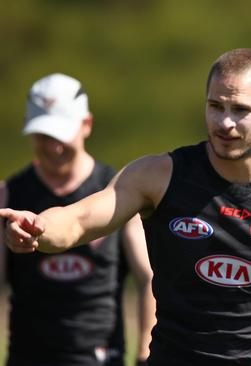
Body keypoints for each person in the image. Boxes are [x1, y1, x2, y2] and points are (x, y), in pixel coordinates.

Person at [0, 49, 251, 366]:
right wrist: (38, 229)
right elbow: (79, 220)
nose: (225, 123)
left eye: (240, 110)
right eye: (216, 106)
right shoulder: (158, 176)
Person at [0, 73, 155, 366]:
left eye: (61, 136)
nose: (53, 147)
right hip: (27, 357)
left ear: (86, 125)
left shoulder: (118, 191)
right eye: (44, 136)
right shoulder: (9, 196)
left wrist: (145, 352)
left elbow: (147, 277)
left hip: (101, 357)